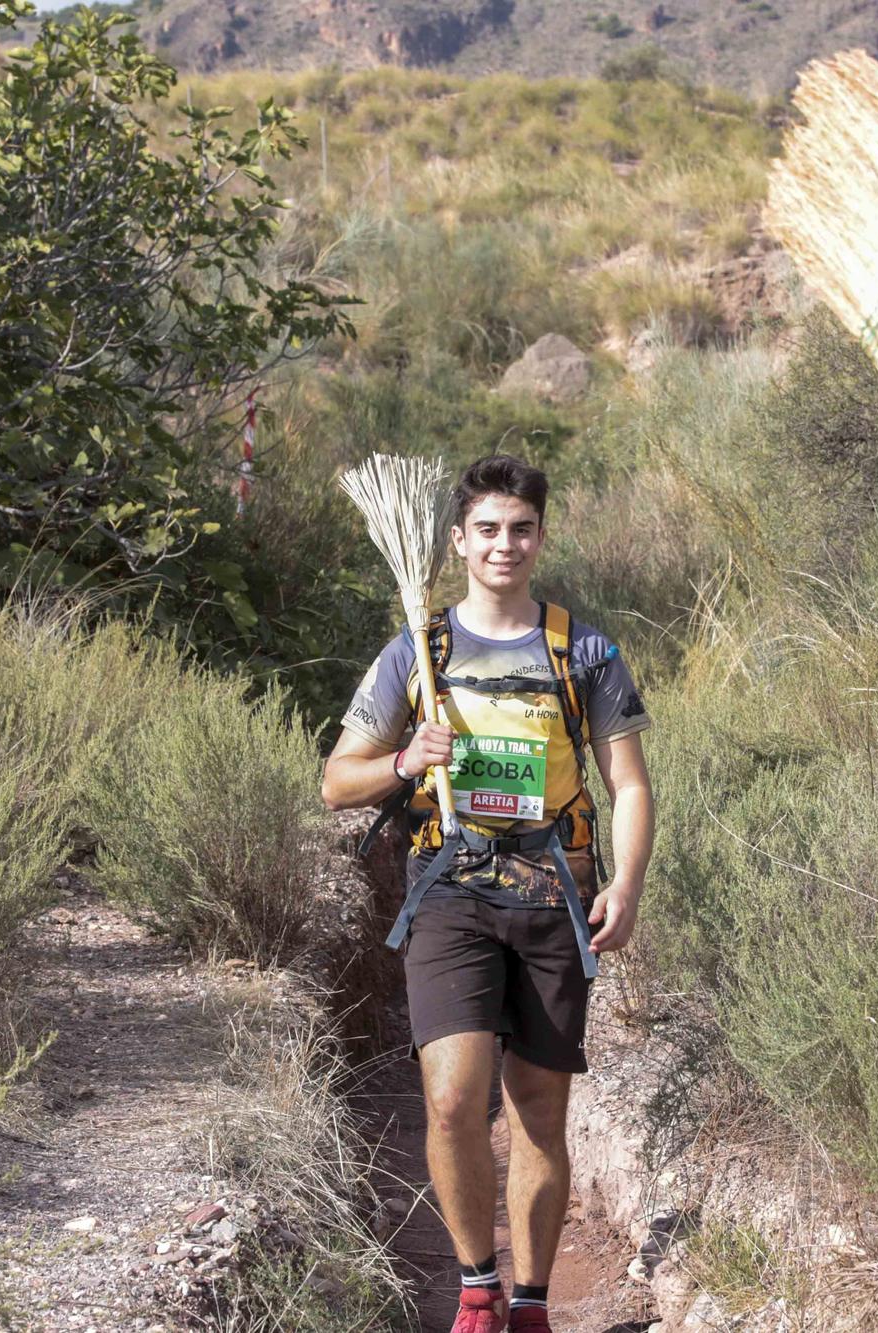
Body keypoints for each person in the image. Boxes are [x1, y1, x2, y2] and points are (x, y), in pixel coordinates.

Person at [322, 454, 655, 1333]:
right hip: (449, 893)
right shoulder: (416, 652)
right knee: (451, 1095)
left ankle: (533, 1299)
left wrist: (627, 881)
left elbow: (630, 783)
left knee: (540, 1108)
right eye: (488, 529)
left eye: (521, 528)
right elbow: (336, 781)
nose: (504, 544)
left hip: (555, 897)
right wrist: (404, 760)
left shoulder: (584, 650)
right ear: (458, 541)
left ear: (539, 538)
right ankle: (477, 1284)